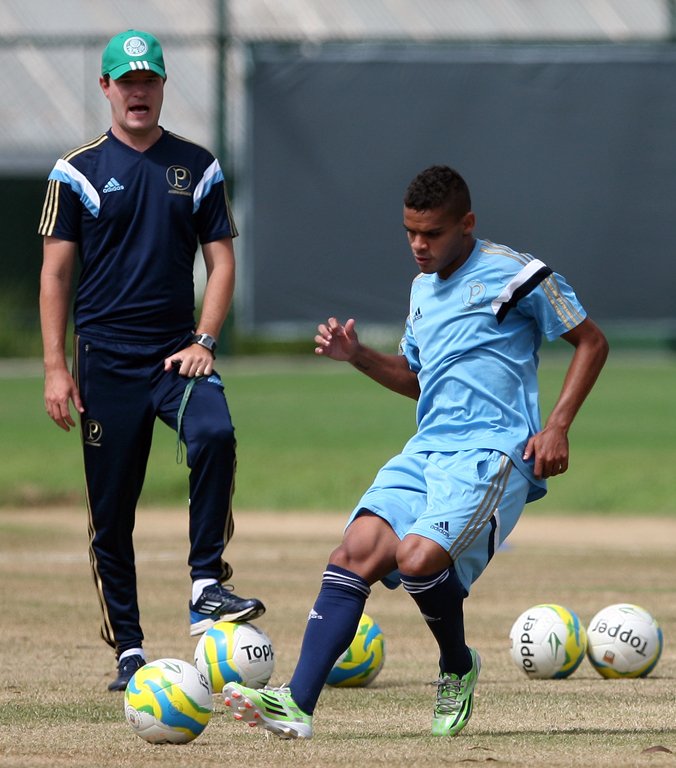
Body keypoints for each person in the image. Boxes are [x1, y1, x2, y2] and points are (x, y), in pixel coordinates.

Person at [222, 165, 609, 738]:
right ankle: (297, 706)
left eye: (431, 233)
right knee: (355, 549)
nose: (419, 246)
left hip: (491, 452)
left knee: (418, 559)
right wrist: (358, 356)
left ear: (466, 224)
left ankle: (456, 664)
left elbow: (591, 340)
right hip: (427, 449)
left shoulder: (516, 273)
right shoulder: (422, 287)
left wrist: (557, 425)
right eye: (410, 233)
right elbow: (417, 376)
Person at [38, 29, 264, 692]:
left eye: (149, 80)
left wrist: (204, 340)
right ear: (106, 88)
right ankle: (129, 650)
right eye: (125, 81)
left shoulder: (197, 166)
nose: (138, 91)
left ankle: (205, 583)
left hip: (176, 356)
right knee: (111, 514)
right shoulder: (73, 172)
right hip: (104, 362)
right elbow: (54, 275)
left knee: (215, 433)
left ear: (162, 87)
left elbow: (221, 263)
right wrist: (56, 367)